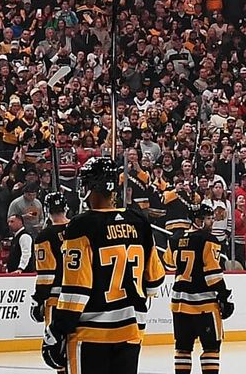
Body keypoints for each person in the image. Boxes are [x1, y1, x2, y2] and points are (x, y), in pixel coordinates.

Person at [44, 157, 165, 374]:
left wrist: (57, 328)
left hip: (90, 333)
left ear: (92, 187)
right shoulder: (139, 221)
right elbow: (155, 281)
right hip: (131, 331)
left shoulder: (81, 225)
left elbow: (76, 291)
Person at [172, 202, 233, 374]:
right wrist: (224, 296)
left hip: (179, 305)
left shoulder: (175, 239)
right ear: (197, 221)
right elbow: (213, 275)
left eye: (212, 218)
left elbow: (169, 261)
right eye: (207, 219)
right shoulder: (208, 240)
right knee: (211, 347)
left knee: (182, 348)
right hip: (204, 305)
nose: (212, 222)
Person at [30, 192, 69, 334]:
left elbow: (46, 274)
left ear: (47, 210)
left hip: (56, 296)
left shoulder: (45, 235)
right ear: (66, 208)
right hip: (81, 296)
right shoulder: (80, 228)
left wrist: (38, 299)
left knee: (54, 342)